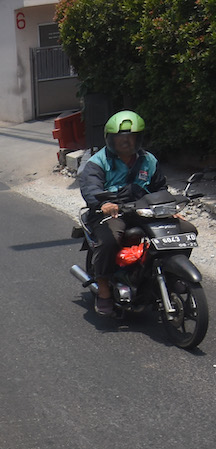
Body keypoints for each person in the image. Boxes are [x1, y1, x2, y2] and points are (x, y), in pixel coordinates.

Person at [79, 110, 197, 316]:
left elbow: (160, 188)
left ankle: (170, 273)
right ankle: (104, 289)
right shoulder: (98, 162)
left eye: (131, 137)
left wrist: (170, 208)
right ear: (110, 139)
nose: (126, 142)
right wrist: (104, 203)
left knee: (187, 230)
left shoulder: (149, 160)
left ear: (139, 138)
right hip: (112, 212)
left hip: (145, 209)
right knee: (109, 241)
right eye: (120, 138)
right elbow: (90, 188)